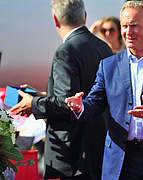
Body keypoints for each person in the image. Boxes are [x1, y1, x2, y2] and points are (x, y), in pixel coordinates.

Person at [64, 1, 143, 180]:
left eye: (134, 26)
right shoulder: (108, 65)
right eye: (124, 26)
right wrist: (81, 106)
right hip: (119, 159)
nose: (128, 32)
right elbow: (95, 101)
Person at [9, 0, 113, 179]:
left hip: (72, 155)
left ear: (55, 20)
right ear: (85, 16)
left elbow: (67, 102)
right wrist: (42, 95)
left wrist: (33, 103)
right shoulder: (103, 47)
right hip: (98, 148)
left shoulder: (66, 51)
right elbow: (86, 94)